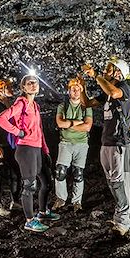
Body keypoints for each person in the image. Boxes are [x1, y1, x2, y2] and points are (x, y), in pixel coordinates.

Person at [0, 73, 60, 233]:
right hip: (25, 149)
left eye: (36, 83)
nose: (33, 85)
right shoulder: (21, 103)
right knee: (30, 186)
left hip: (37, 149)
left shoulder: (35, 106)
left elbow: (39, 130)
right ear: (23, 87)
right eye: (30, 83)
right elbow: (1, 119)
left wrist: (45, 149)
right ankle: (29, 221)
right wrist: (17, 132)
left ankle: (43, 212)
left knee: (46, 181)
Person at [82, 57, 130, 235]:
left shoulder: (124, 88)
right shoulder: (107, 95)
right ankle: (121, 215)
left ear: (119, 73)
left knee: (119, 181)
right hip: (107, 141)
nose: (105, 71)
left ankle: (125, 220)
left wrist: (95, 75)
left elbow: (113, 91)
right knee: (112, 181)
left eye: (109, 69)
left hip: (120, 142)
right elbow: (86, 103)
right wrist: (82, 87)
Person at [51, 77, 93, 212]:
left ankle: (77, 202)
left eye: (78, 89)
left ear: (82, 91)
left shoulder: (86, 107)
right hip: (66, 143)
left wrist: (68, 124)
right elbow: (59, 124)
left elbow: (87, 127)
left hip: (81, 144)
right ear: (68, 91)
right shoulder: (62, 106)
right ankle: (61, 199)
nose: (75, 91)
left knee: (78, 173)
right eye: (73, 89)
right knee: (60, 171)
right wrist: (77, 122)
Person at [0, 79, 22, 216]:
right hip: (0, 145)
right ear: (0, 90)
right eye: (7, 87)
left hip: (11, 144)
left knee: (16, 173)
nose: (10, 88)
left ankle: (15, 201)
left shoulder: (10, 105)